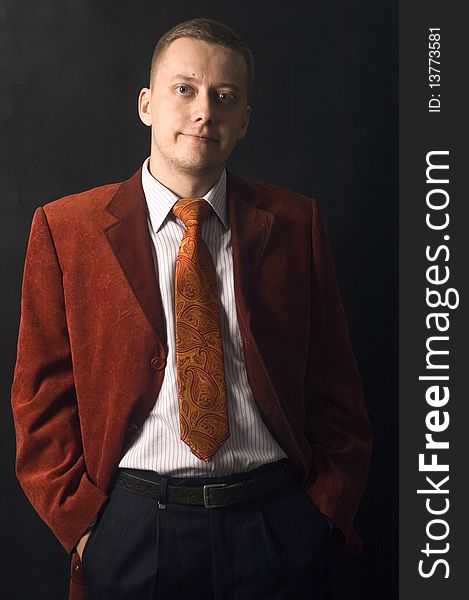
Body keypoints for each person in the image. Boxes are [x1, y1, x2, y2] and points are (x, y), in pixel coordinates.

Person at [11, 17, 372, 600]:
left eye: (224, 97)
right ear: (147, 104)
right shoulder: (66, 229)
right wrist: (84, 529)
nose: (205, 111)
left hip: (275, 523)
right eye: (185, 89)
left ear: (244, 120)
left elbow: (337, 384)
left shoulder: (295, 223)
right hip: (131, 527)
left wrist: (322, 516)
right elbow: (39, 396)